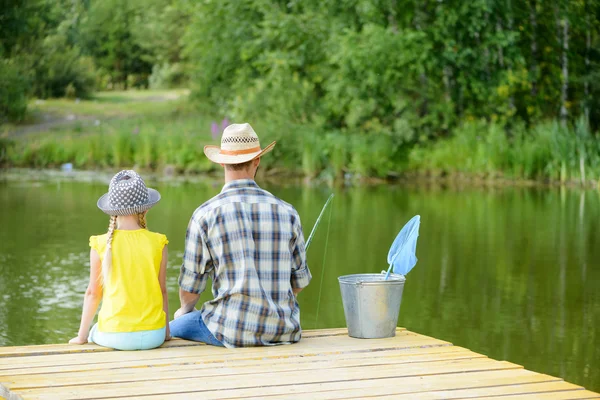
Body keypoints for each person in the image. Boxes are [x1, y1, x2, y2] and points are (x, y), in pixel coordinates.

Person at [170, 123, 312, 348]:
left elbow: (190, 288)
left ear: (222, 162)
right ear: (257, 160)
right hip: (283, 331)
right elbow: (299, 282)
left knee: (170, 328)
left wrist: (184, 311)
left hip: (227, 330)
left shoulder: (205, 215)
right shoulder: (288, 212)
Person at [69, 170, 170, 350]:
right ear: (146, 208)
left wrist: (81, 337)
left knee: (93, 332)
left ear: (112, 211)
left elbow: (93, 293)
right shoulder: (159, 242)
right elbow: (162, 290)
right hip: (154, 335)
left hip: (114, 335)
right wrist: (166, 333)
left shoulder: (100, 244)